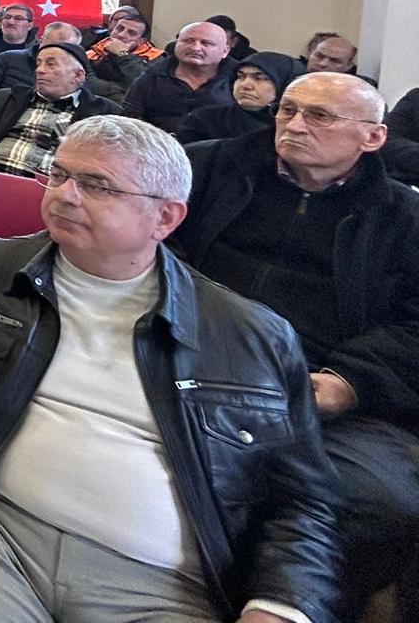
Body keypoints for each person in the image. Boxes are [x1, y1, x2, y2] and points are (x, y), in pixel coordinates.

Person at [0, 115, 340, 623]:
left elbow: (301, 500)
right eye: (59, 174)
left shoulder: (250, 337)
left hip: (159, 584)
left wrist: (277, 607)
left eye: (97, 185)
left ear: (165, 217)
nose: (64, 195)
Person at [174, 72, 419, 622]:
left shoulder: (404, 218)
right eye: (287, 110)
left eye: (320, 116)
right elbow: (149, 248)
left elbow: (414, 324)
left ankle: (287, 606)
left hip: (320, 383)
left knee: (378, 498)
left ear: (373, 137)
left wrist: (349, 382)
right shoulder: (207, 167)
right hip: (190, 355)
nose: (294, 125)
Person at [0, 41, 120, 176]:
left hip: (47, 193)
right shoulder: (8, 97)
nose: (40, 70)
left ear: (78, 75)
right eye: (38, 63)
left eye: (50, 64)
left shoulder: (103, 113)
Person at [0, 21, 117, 113]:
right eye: (52, 45)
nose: (57, 51)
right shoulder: (8, 58)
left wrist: (123, 55)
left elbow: (103, 91)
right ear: (41, 41)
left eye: (66, 47)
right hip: (3, 119)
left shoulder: (78, 68)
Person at [123, 20, 237, 133]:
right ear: (176, 44)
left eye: (206, 43)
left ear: (225, 51)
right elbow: (129, 119)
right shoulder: (152, 77)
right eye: (188, 41)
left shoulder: (238, 78)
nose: (195, 48)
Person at [175, 52, 294, 144]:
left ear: (286, 85)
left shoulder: (296, 129)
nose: (245, 85)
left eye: (260, 78)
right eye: (240, 76)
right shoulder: (205, 121)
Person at [85, 9, 162, 102]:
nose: (121, 35)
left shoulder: (155, 58)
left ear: (141, 41)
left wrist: (122, 54)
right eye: (119, 28)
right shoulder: (91, 53)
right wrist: (119, 89)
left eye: (131, 33)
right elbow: (86, 83)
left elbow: (144, 86)